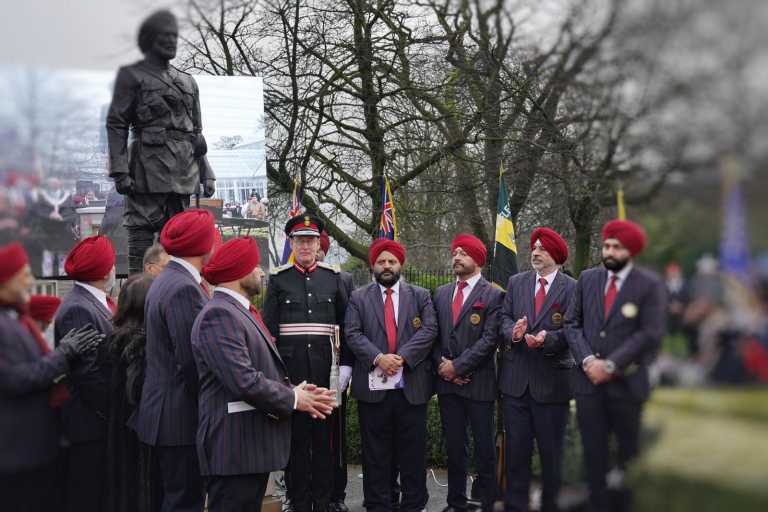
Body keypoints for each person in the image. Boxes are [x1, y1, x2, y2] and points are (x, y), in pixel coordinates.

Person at [192, 236, 338, 511]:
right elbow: (243, 380)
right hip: (234, 449)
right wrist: (294, 400)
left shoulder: (237, 311)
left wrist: (297, 391)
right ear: (239, 272)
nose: (260, 272)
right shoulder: (219, 315)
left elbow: (259, 370)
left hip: (246, 449)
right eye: (255, 266)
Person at [565, 220, 666, 512]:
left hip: (626, 385)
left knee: (628, 457)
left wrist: (610, 365)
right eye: (606, 245)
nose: (609, 251)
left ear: (630, 251)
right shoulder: (587, 278)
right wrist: (587, 361)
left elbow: (650, 332)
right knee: (593, 456)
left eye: (616, 247)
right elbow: (572, 324)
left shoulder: (648, 285)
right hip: (589, 385)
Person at [106, 9, 215, 274]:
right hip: (146, 168)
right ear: (148, 39)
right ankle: (138, 297)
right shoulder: (132, 75)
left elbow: (195, 135)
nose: (171, 41)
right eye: (164, 36)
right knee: (141, 238)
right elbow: (117, 123)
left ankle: (176, 288)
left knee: (178, 243)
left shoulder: (188, 81)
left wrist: (206, 172)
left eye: (174, 36)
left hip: (182, 172)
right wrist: (120, 170)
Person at [0, 242, 102, 512]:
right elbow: (15, 379)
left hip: (36, 446)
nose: (30, 281)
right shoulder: (5, 326)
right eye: (23, 275)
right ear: (5, 280)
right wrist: (64, 355)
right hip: (19, 451)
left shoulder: (15, 320)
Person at [262, 214, 349, 512]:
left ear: (318, 243)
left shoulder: (333, 278)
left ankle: (323, 502)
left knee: (325, 445)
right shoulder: (278, 280)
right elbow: (269, 334)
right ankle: (298, 502)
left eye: (311, 240)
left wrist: (344, 373)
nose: (306, 245)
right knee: (296, 445)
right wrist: (277, 380)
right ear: (291, 243)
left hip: (326, 377)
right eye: (300, 240)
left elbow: (344, 329)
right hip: (293, 379)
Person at [345, 239, 437, 512]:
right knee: (375, 455)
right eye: (381, 261)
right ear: (372, 265)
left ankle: (413, 504)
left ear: (401, 265)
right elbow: (352, 333)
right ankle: (378, 504)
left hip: (412, 389)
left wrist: (403, 358)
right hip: (373, 392)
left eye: (392, 261)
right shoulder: (358, 297)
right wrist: (378, 358)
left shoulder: (421, 295)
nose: (387, 266)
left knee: (413, 454)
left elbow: (430, 330)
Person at [135, 208, 217, 511]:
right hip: (180, 420)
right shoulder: (184, 287)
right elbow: (191, 361)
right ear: (203, 245)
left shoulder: (168, 279)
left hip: (165, 416)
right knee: (184, 502)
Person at [500, 228, 577, 512]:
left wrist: (549, 339)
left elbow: (573, 329)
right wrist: (515, 333)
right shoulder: (516, 282)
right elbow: (504, 319)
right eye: (534, 247)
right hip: (516, 385)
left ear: (556, 256)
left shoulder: (571, 287)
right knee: (516, 454)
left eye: (542, 249)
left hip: (552, 384)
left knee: (551, 455)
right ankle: (516, 506)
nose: (535, 252)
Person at [433, 234, 503, 512]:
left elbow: (490, 339)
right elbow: (432, 335)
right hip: (448, 385)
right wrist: (444, 367)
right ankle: (455, 502)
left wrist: (458, 366)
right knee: (454, 447)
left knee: (484, 448)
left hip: (479, 384)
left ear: (478, 258)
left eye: (463, 253)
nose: (456, 257)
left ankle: (488, 502)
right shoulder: (440, 293)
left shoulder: (494, 294)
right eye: (455, 253)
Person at [55, 235, 118, 512]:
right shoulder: (79, 307)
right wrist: (116, 411)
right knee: (88, 496)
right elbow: (89, 374)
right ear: (105, 270)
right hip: (89, 427)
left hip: (99, 424)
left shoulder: (96, 302)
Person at [103, 273, 161, 512]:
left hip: (118, 430)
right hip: (141, 432)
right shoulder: (143, 344)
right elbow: (136, 390)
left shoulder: (111, 339)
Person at [318, 230, 354, 512]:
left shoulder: (341, 280)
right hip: (302, 371)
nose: (314, 252)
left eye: (319, 248)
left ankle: (336, 494)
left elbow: (349, 326)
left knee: (335, 438)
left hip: (333, 370)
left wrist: (346, 367)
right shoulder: (286, 280)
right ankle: (301, 492)